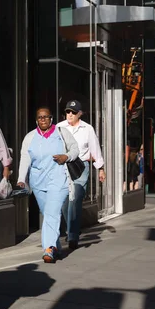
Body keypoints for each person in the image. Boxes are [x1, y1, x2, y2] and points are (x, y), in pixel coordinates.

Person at [17, 106, 79, 263]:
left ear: (51, 118)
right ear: (36, 120)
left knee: (52, 213)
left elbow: (75, 149)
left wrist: (66, 156)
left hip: (59, 180)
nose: (43, 119)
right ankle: (56, 246)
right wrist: (21, 178)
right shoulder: (30, 137)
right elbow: (25, 158)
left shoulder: (61, 133)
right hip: (38, 183)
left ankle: (49, 248)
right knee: (48, 215)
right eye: (39, 117)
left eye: (46, 117)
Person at [57, 100, 105, 250]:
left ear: (79, 114)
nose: (69, 115)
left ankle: (72, 236)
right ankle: (73, 228)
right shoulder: (59, 127)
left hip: (80, 166)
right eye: (67, 112)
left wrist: (100, 168)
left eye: (73, 112)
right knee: (64, 202)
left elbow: (95, 148)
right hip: (63, 167)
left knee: (75, 198)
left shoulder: (87, 129)